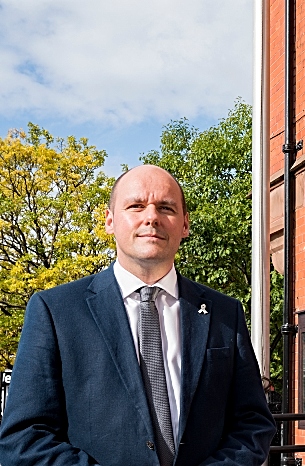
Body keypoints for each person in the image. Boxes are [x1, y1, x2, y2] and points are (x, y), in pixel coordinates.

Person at [0, 165, 277, 466]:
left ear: (184, 224)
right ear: (109, 221)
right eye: (136, 206)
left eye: (166, 207)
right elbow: (24, 436)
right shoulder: (55, 311)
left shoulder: (224, 312)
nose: (151, 217)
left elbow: (253, 423)